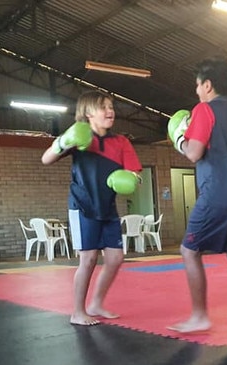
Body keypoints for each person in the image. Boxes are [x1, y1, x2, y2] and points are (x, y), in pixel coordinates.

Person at [166, 57, 227, 334]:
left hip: (216, 193)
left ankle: (199, 316)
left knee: (189, 251)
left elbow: (194, 152)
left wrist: (179, 139)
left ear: (207, 85)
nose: (197, 91)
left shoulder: (203, 110)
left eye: (198, 86)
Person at [41, 90, 142, 326]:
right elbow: (45, 159)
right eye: (103, 107)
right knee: (88, 260)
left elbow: (136, 173)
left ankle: (96, 303)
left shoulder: (121, 142)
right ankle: (78, 311)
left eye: (111, 106)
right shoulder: (78, 137)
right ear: (88, 113)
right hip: (82, 206)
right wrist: (64, 141)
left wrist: (131, 180)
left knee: (116, 259)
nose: (110, 111)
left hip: (107, 207)